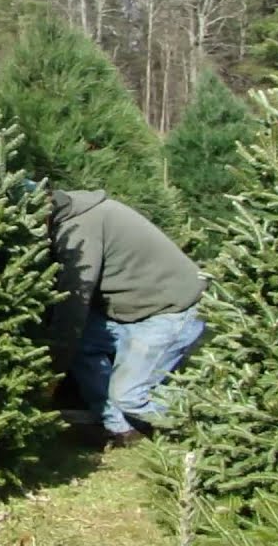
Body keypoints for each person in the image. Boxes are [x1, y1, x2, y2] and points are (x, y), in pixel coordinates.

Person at [38, 185, 207, 447]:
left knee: (130, 395)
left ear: (44, 210)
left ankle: (210, 421)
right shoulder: (69, 216)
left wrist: (54, 372)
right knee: (84, 345)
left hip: (169, 311)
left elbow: (74, 304)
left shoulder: (79, 229)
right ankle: (121, 429)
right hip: (128, 310)